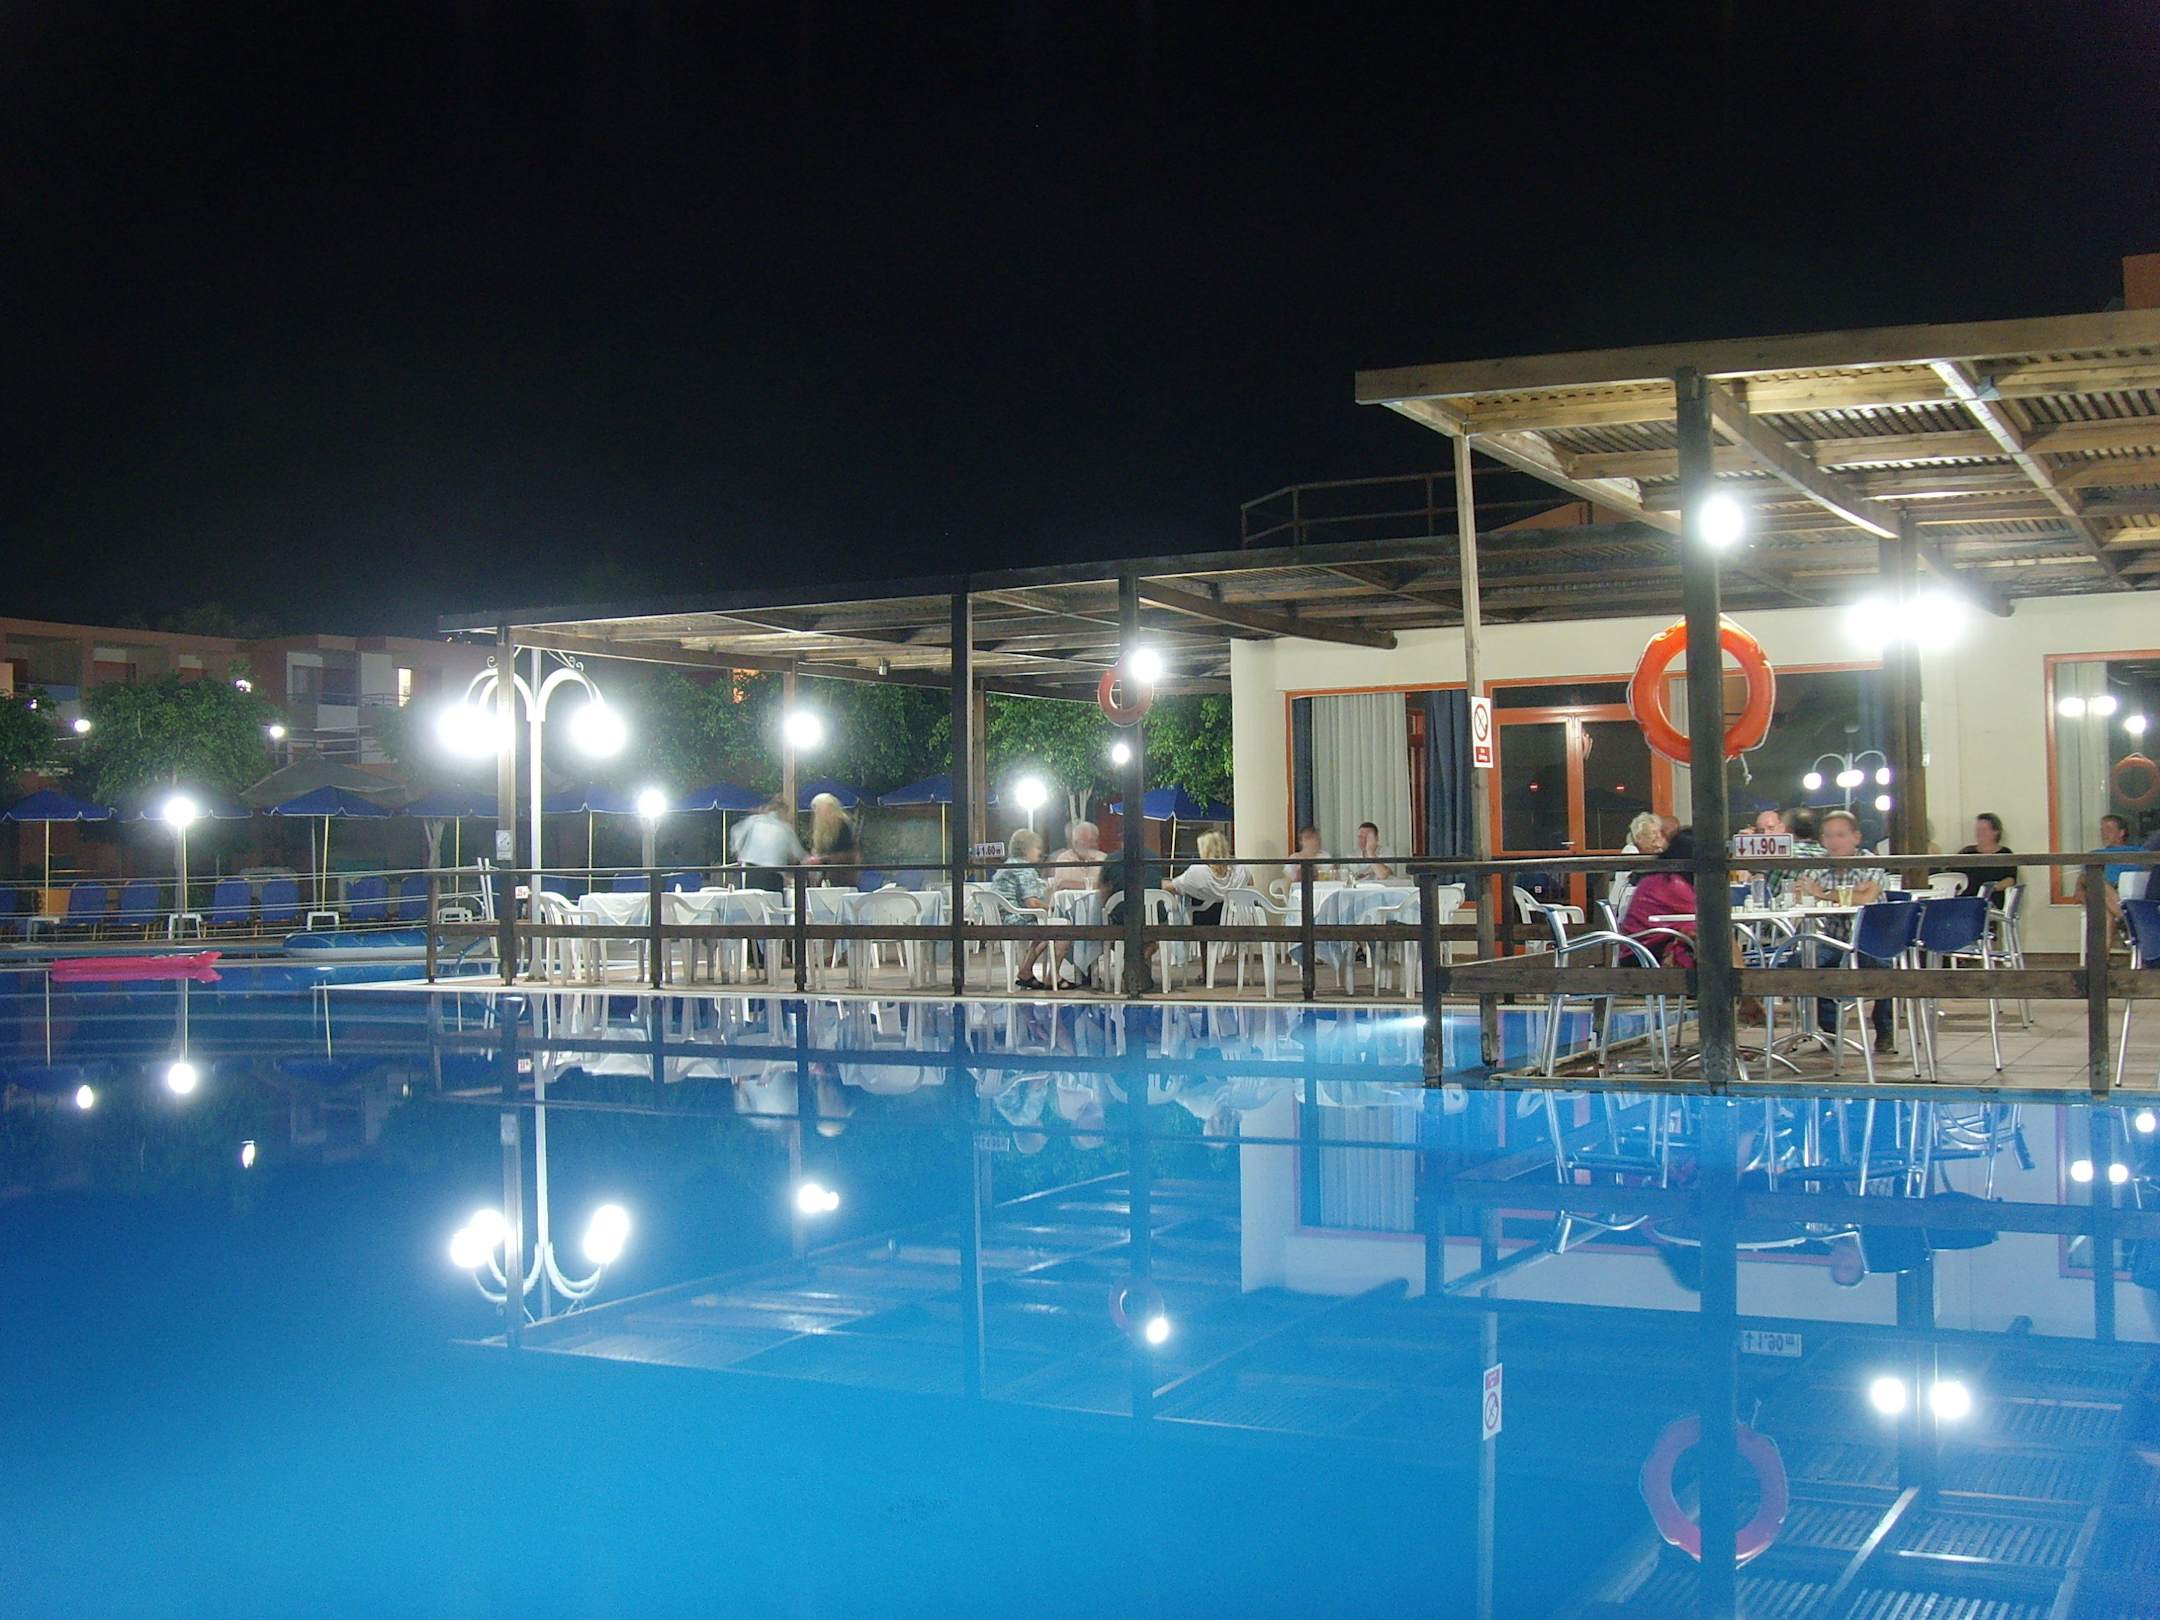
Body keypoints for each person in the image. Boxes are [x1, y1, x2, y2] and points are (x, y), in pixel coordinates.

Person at [1800, 808, 1896, 1054]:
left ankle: (1885, 1031)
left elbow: (1866, 897)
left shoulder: (1870, 864)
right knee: (1804, 963)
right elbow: (1800, 894)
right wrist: (1846, 894)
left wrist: (1822, 894)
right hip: (1833, 940)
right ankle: (1831, 1033)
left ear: (1856, 837)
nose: (1834, 841)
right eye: (1828, 835)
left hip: (1871, 941)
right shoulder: (1818, 866)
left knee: (1883, 966)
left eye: (1841, 835)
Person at [992, 827, 1065, 989]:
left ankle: (1026, 971)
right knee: (1063, 928)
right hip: (1014, 920)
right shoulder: (1024, 869)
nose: (1040, 853)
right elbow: (1031, 903)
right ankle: (1052, 977)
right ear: (1026, 850)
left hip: (999, 919)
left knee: (1047, 927)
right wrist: (1052, 907)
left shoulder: (1007, 866)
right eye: (1037, 848)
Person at [1620, 826, 1697, 966]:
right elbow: (1704, 919)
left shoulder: (1656, 878)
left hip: (1636, 950)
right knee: (1718, 935)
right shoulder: (1674, 884)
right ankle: (1734, 977)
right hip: (1647, 954)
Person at [1167, 830, 1252, 926]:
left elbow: (1172, 887)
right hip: (1236, 925)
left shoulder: (1197, 872)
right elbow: (1251, 888)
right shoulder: (1242, 870)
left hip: (1203, 927)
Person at [731, 796, 807, 893]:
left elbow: (735, 832)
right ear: (783, 812)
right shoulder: (785, 828)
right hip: (773, 873)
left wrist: (739, 853)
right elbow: (799, 853)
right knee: (774, 900)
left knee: (751, 899)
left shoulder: (754, 820)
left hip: (751, 869)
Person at [1948, 812, 2018, 906]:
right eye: (1978, 830)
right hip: (1966, 901)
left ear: (1996, 832)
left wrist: (1990, 889)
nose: (1979, 833)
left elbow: (2010, 880)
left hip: (1991, 902)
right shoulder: (1967, 852)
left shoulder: (2005, 854)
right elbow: (1952, 873)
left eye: (1984, 830)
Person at [807, 791, 857, 881]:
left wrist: (820, 859)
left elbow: (846, 852)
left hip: (842, 872)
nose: (815, 811)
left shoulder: (842, 824)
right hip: (829, 871)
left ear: (828, 807)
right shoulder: (823, 827)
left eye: (817, 808)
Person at [1045, 818, 1106, 893]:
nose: (1092, 844)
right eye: (1088, 841)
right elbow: (1062, 884)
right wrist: (1093, 885)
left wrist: (1077, 885)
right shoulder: (1064, 858)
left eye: (1095, 840)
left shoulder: (1104, 858)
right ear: (1075, 842)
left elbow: (1107, 886)